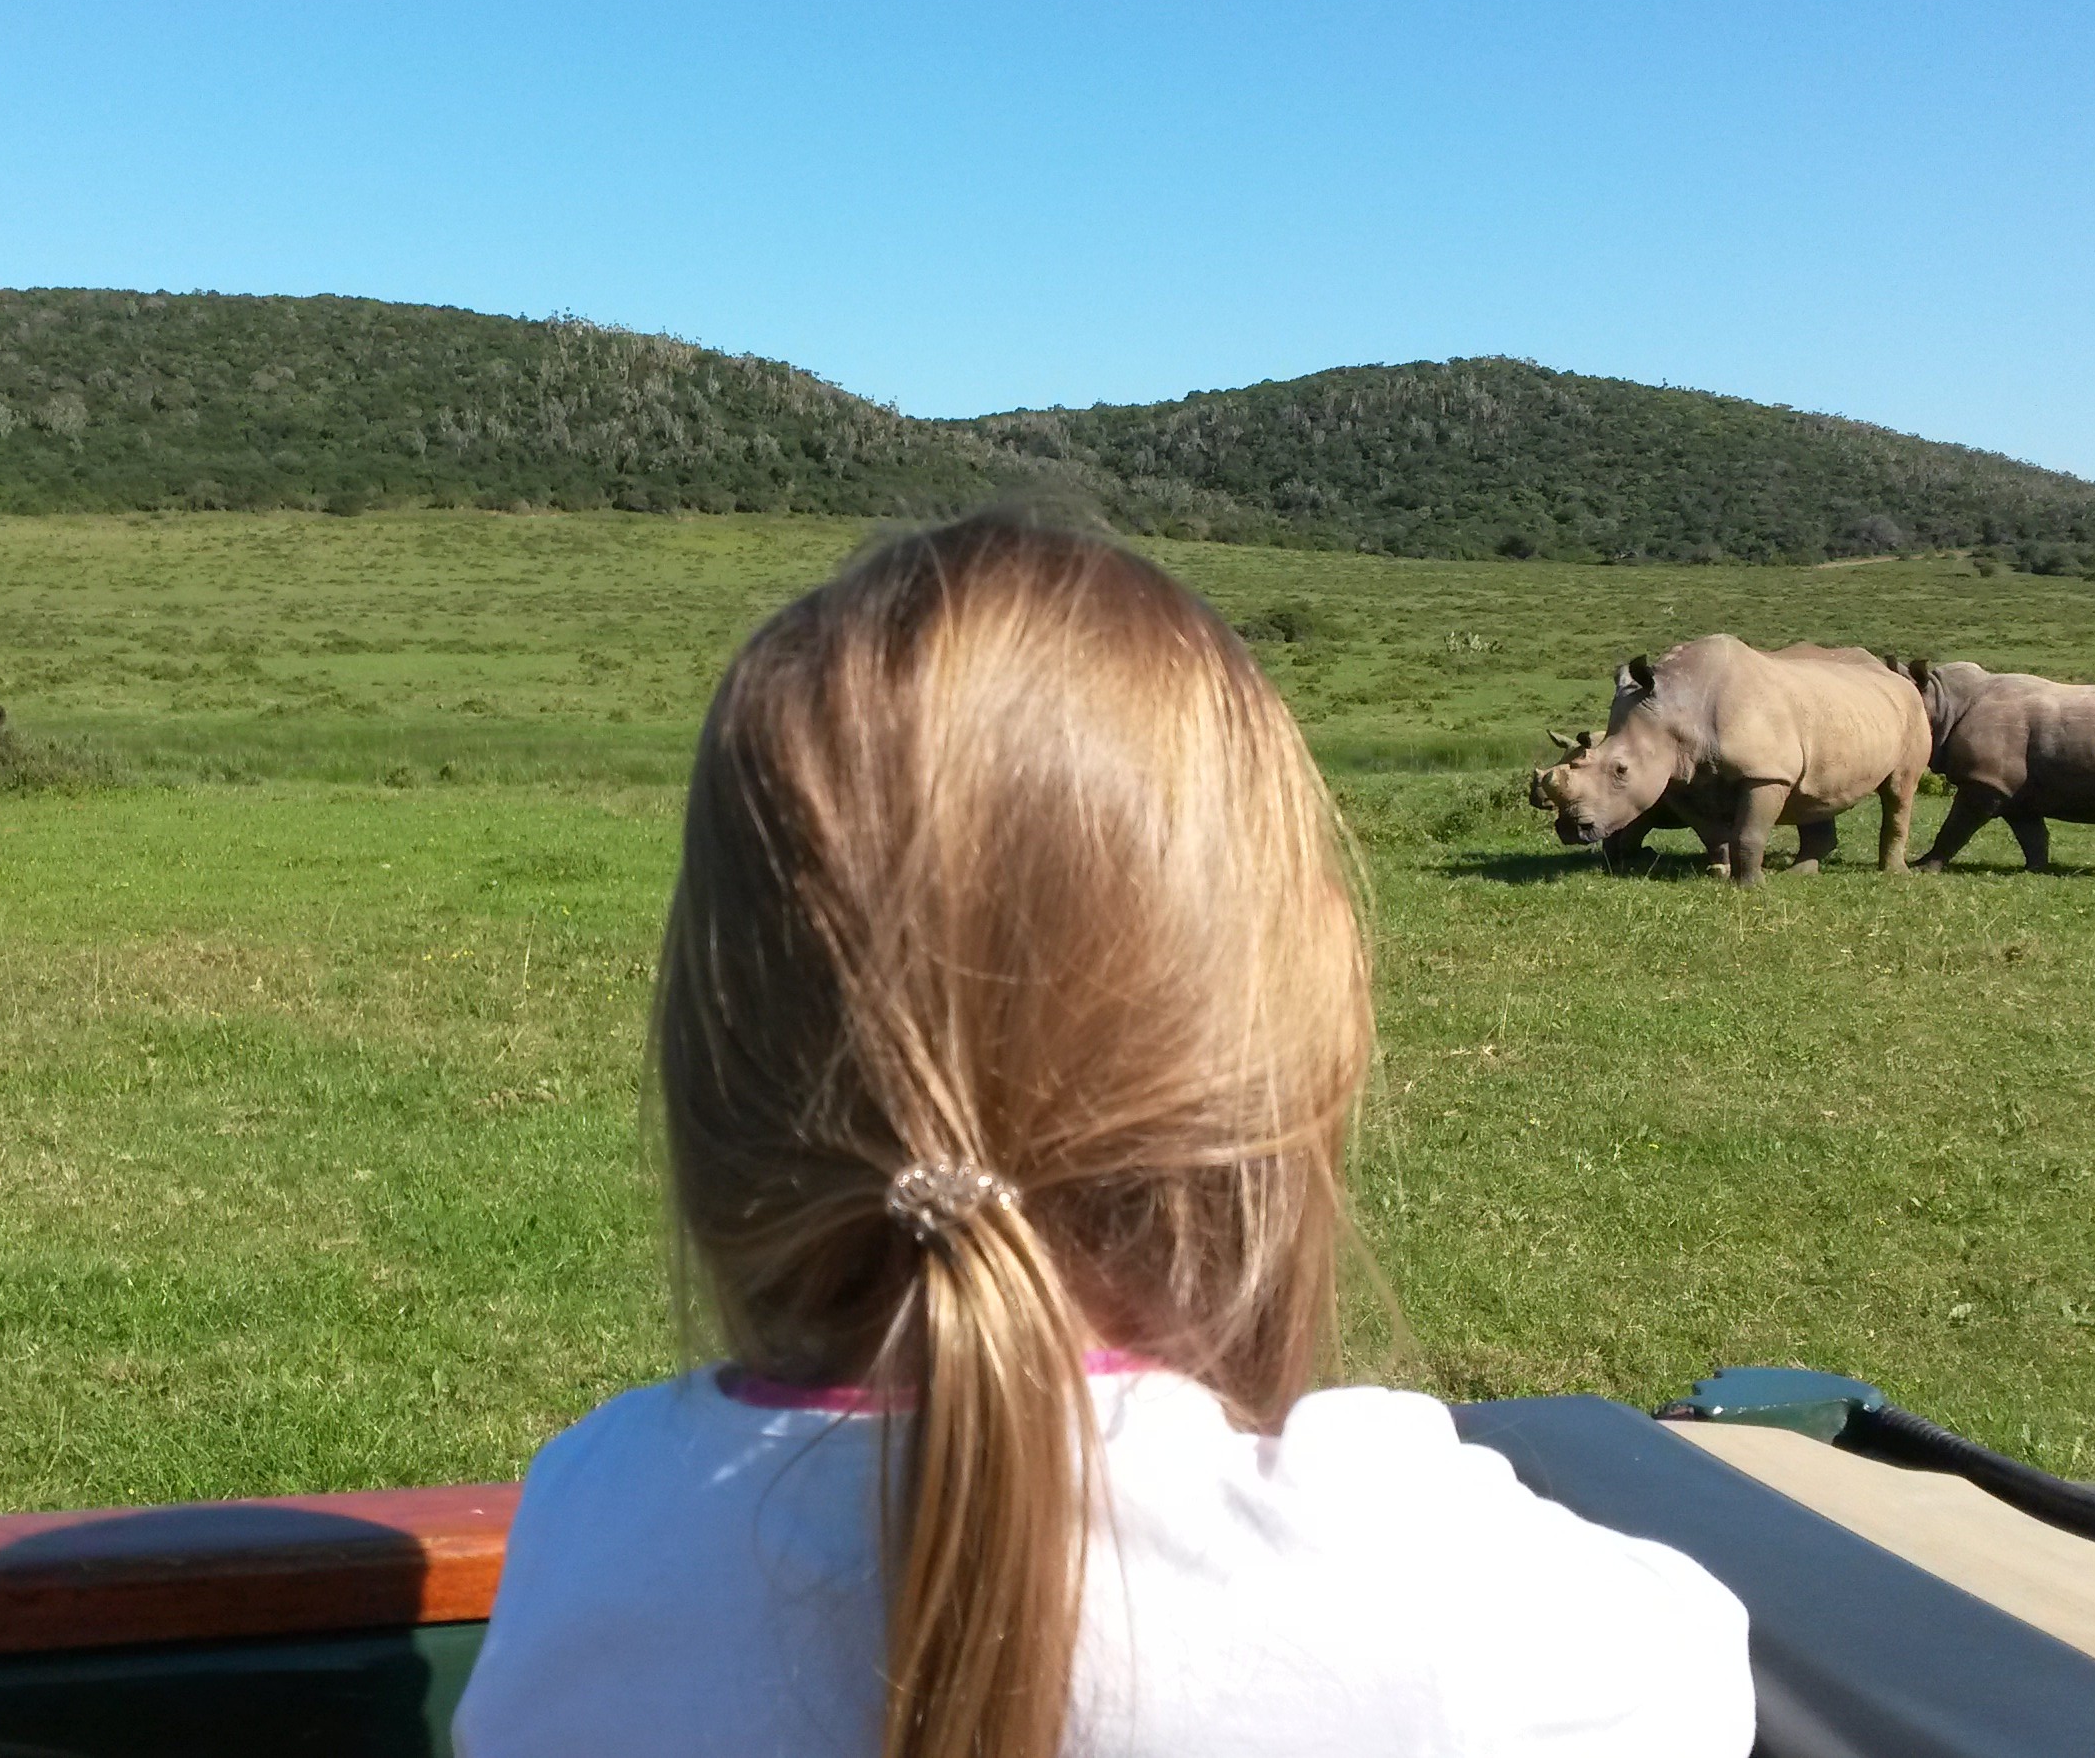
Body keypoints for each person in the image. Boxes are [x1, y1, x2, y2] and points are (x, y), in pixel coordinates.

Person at [454, 509, 1753, 1758]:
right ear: (1285, 1066)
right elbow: (1705, 1663)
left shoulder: (595, 1514)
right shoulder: (1442, 1607)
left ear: (721, 1081)